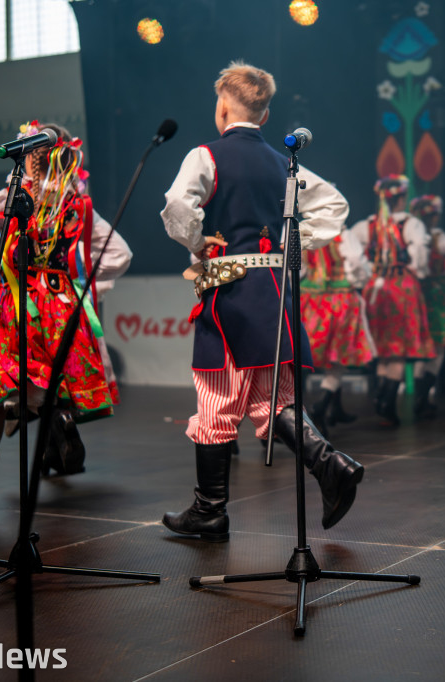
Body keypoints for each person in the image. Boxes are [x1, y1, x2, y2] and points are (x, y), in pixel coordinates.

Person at [160, 61, 362, 541]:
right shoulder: (282, 162)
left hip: (230, 291)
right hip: (274, 292)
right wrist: (296, 237)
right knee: (273, 399)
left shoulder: (206, 155)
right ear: (265, 116)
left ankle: (210, 510)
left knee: (217, 396)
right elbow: (335, 204)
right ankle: (331, 464)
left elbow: (176, 206)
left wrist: (196, 241)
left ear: (222, 108)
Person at [0, 121, 132, 516]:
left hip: (12, 304)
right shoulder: (76, 205)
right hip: (61, 304)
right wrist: (76, 283)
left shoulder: (12, 196)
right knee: (54, 381)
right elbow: (119, 254)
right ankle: (61, 416)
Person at [350, 175, 435, 427]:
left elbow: (352, 248)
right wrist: (418, 271)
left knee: (385, 349)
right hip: (401, 288)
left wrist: (363, 276)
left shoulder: (366, 225)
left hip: (375, 288)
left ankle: (381, 398)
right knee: (397, 347)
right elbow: (420, 254)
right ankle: (386, 402)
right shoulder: (412, 224)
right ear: (402, 197)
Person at [301, 229, 377, 435]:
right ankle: (322, 405)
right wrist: (358, 280)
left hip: (310, 296)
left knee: (305, 353)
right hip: (340, 297)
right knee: (338, 356)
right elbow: (355, 260)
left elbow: (297, 266)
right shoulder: (343, 234)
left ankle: (322, 409)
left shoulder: (303, 232)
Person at [408, 195, 445, 419]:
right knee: (439, 345)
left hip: (417, 291)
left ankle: (419, 397)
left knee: (423, 344)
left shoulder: (409, 235)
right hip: (437, 293)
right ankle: (423, 397)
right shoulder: (438, 237)